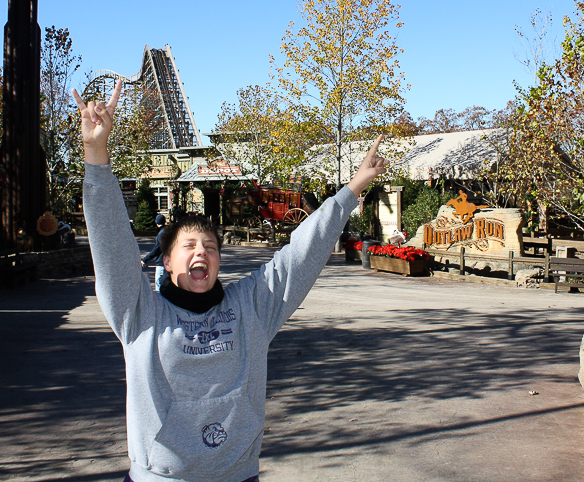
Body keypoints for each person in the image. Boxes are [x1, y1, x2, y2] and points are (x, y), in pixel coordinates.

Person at [72, 82, 387, 482]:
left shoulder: (250, 308)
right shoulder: (140, 313)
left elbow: (299, 256)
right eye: (189, 246)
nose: (201, 252)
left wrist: (352, 188)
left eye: (210, 246)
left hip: (238, 474)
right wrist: (96, 156)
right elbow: (112, 245)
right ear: (166, 262)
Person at [141, 214, 167, 291]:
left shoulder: (161, 234)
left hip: (161, 263)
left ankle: (161, 302)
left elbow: (157, 249)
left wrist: (145, 259)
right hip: (169, 262)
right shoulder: (168, 232)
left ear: (156, 223)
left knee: (159, 285)